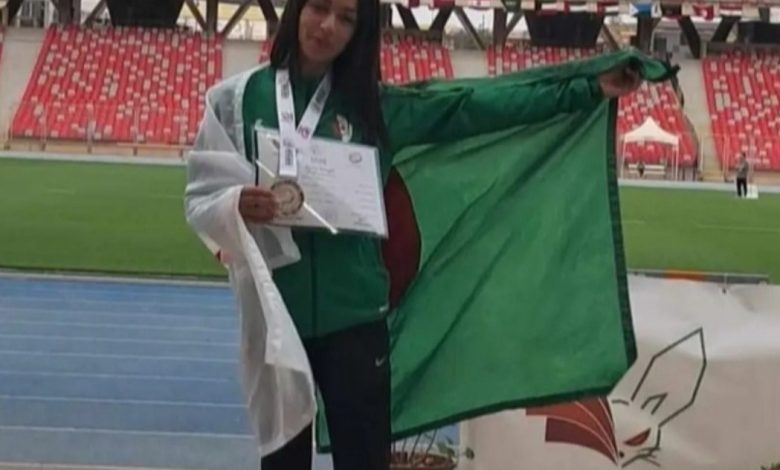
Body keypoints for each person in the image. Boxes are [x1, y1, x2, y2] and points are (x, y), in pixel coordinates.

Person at [201, 0, 642, 468]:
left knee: (364, 460)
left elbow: (475, 106)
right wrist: (234, 204)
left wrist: (585, 88)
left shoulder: (375, 108)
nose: (328, 26)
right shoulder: (239, 100)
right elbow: (203, 190)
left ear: (359, 33)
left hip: (356, 321)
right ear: (297, 10)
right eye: (319, 8)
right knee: (282, 462)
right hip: (276, 318)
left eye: (347, 18)